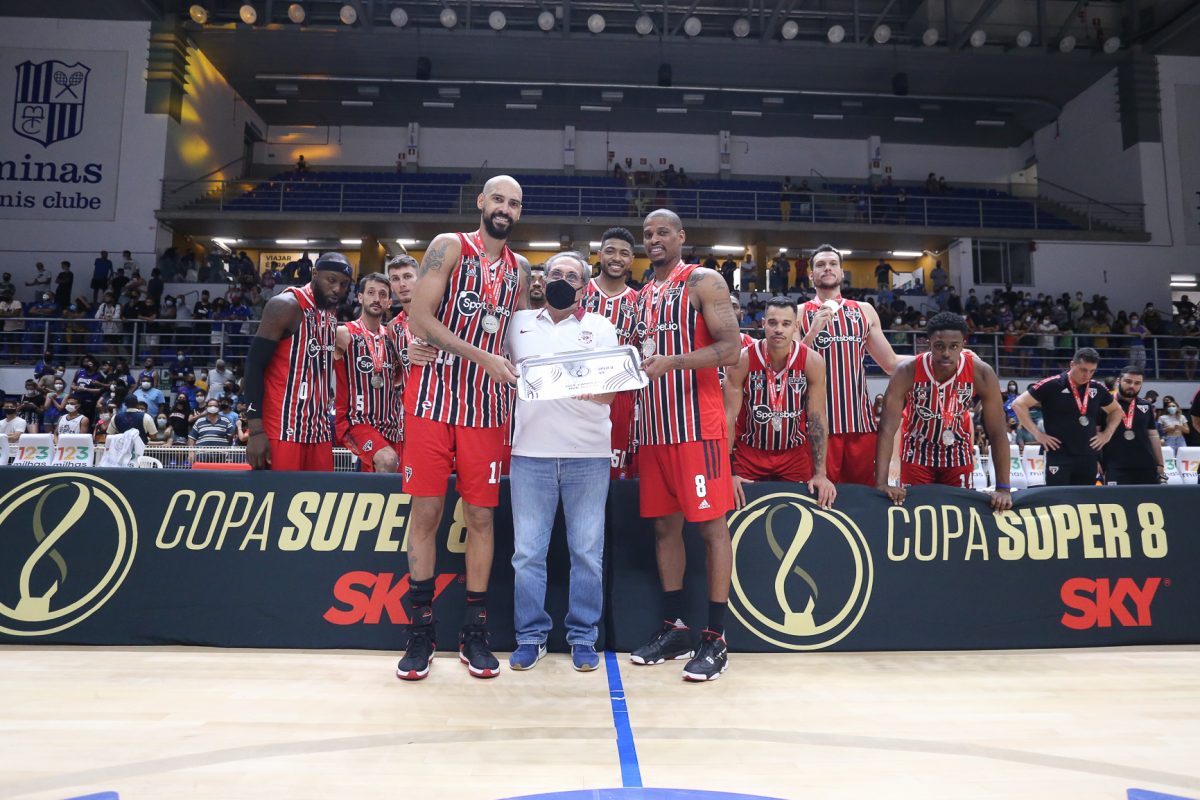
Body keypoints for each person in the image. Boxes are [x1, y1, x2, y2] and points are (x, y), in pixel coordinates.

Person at [398, 175, 530, 681]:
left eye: (514, 203)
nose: (505, 209)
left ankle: (474, 632)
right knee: (427, 514)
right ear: (481, 202)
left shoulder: (518, 269)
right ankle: (420, 632)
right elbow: (419, 317)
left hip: (487, 411)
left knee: (480, 518)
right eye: (498, 199)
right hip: (432, 401)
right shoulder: (449, 246)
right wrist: (482, 357)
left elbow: (521, 341)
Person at [629, 208, 741, 682]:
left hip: (697, 428)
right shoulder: (641, 296)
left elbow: (731, 348)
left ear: (680, 236)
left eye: (662, 232)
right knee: (664, 530)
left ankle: (716, 638)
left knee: (712, 531)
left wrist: (673, 362)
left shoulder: (703, 281)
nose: (654, 239)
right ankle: (676, 629)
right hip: (655, 431)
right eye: (647, 234)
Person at [505, 251, 617, 673]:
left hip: (588, 455)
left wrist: (591, 389)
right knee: (527, 554)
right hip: (529, 454)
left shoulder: (601, 327)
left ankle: (583, 636)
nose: (562, 280)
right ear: (543, 279)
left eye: (572, 276)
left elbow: (612, 390)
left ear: (584, 287)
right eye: (556, 273)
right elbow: (486, 357)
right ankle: (530, 637)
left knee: (586, 553)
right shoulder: (518, 324)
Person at [874, 313, 1012, 510]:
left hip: (958, 454)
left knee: (960, 515)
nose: (946, 353)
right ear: (928, 344)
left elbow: (998, 431)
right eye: (939, 346)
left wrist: (1003, 488)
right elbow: (887, 428)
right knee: (917, 515)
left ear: (963, 345)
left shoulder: (982, 373)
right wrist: (881, 483)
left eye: (954, 346)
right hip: (917, 454)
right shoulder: (907, 371)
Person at [798, 245, 902, 485]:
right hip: (817, 428)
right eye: (820, 265)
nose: (827, 268)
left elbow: (891, 363)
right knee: (819, 498)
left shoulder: (864, 310)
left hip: (860, 425)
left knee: (861, 497)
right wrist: (812, 333)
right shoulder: (799, 312)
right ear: (811, 275)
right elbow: (791, 368)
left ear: (842, 272)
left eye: (833, 264)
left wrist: (934, 358)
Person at [722, 296, 835, 509]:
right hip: (750, 452)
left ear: (796, 326)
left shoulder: (812, 361)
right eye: (773, 323)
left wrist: (821, 474)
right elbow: (728, 417)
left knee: (802, 509)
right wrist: (728, 473)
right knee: (738, 509)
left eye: (786, 323)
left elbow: (817, 418)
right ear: (763, 324)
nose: (778, 330)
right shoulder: (742, 359)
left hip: (793, 454)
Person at [244, 253, 351, 471]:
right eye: (331, 280)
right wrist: (255, 431)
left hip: (319, 432)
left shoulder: (330, 312)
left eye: (344, 284)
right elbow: (254, 365)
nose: (337, 289)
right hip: (283, 430)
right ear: (314, 274)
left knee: (322, 494)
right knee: (282, 494)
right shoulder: (285, 305)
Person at [1011, 348, 1124, 486]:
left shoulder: (1097, 388)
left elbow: (1117, 410)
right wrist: (1038, 434)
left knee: (1084, 498)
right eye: (1083, 370)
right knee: (1057, 497)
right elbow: (1018, 404)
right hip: (1058, 454)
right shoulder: (1052, 384)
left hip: (1088, 456)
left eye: (1092, 371)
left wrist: (1107, 434)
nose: (1087, 375)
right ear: (1072, 364)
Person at [582, 227, 642, 479]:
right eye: (610, 251)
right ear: (599, 255)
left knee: (612, 470)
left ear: (632, 259)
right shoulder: (579, 292)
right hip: (578, 391)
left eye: (624, 253)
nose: (617, 258)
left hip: (620, 396)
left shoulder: (640, 302)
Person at [335, 274, 403, 473]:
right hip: (357, 422)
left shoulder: (392, 338)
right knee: (387, 460)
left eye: (382, 295)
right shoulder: (344, 333)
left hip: (392, 426)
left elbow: (398, 378)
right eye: (371, 293)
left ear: (389, 302)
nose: (376, 299)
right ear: (360, 297)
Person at [1101, 365, 1164, 485]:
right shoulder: (1105, 404)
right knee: (1117, 497)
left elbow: (1153, 436)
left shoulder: (1146, 406)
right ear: (1119, 381)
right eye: (1128, 381)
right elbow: (1095, 433)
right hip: (1115, 467)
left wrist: (1160, 464)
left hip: (1146, 466)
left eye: (1137, 383)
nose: (1132, 386)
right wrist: (1097, 461)